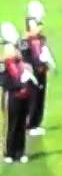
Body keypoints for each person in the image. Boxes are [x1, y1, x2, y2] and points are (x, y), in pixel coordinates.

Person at [1, 23, 37, 164]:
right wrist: (17, 84)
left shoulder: (20, 59)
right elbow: (3, 80)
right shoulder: (4, 64)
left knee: (22, 122)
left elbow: (28, 57)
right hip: (12, 95)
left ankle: (20, 151)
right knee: (11, 123)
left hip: (24, 94)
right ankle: (8, 152)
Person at [19, 1, 53, 137]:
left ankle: (36, 123)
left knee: (40, 96)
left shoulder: (38, 36)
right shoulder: (28, 35)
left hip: (40, 68)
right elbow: (28, 43)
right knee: (33, 97)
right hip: (33, 69)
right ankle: (30, 124)